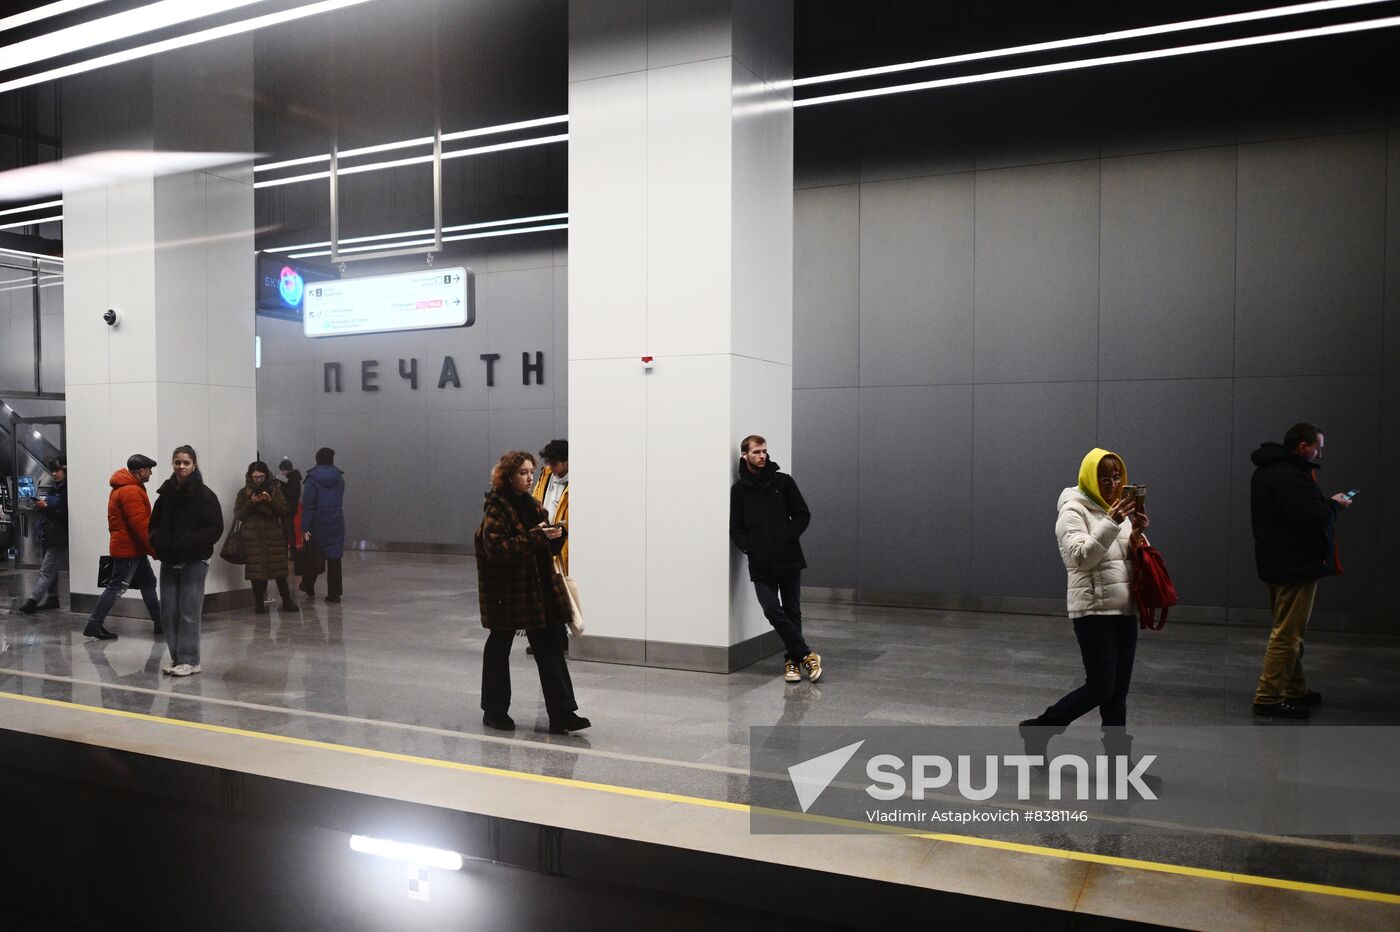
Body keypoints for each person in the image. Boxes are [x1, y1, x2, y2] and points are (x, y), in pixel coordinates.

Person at [1020, 449, 1150, 762]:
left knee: (1118, 693)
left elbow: (1122, 560)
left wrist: (1137, 535)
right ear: (1090, 478)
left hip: (1123, 609)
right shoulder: (1072, 511)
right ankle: (1044, 725)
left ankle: (1119, 765)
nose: (1112, 483)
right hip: (1093, 611)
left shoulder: (1116, 510)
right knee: (1101, 687)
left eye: (1117, 477)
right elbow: (1080, 558)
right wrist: (1112, 522)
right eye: (1104, 478)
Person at [475, 450, 590, 734]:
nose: (529, 477)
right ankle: (494, 710)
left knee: (551, 646)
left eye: (531, 472)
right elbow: (497, 549)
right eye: (523, 473)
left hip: (538, 590)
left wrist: (555, 537)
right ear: (508, 477)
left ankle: (562, 713)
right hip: (507, 591)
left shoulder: (534, 506)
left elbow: (542, 547)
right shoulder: (497, 508)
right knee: (498, 648)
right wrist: (536, 536)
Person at [1249, 423, 1351, 720]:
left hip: (1275, 561)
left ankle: (1295, 688)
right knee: (1287, 634)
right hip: (1295, 564)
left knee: (1289, 630)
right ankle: (1268, 697)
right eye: (1318, 447)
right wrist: (1335, 505)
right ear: (1302, 446)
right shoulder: (1291, 476)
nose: (1320, 452)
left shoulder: (1267, 471)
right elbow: (1314, 517)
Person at [729, 435, 822, 684]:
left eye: (764, 451)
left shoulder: (784, 482)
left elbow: (803, 515)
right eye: (757, 452)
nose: (762, 456)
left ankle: (792, 663)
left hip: (789, 557)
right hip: (760, 561)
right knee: (771, 609)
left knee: (792, 611)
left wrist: (785, 537)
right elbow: (736, 528)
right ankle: (806, 655)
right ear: (744, 455)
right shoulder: (738, 490)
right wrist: (749, 548)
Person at [149, 445, 223, 676]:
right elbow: (154, 524)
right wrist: (158, 541)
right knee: (168, 611)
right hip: (169, 560)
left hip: (194, 561)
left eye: (186, 463)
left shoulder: (205, 496)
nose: (181, 466)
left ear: (194, 465)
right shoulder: (166, 493)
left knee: (189, 611)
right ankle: (177, 658)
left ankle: (191, 660)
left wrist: (189, 543)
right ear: (172, 464)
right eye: (177, 462)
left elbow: (214, 529)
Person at [81, 454, 163, 641]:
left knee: (148, 582)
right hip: (129, 550)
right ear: (141, 471)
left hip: (133, 549)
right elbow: (140, 525)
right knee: (116, 587)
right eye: (149, 469)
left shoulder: (128, 488)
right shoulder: (130, 491)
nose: (151, 473)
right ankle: (94, 624)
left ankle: (160, 622)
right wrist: (154, 549)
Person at [234, 460, 296, 613]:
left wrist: (271, 501)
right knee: (257, 571)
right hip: (252, 535)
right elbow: (239, 515)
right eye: (255, 477)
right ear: (250, 476)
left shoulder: (274, 489)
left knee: (279, 570)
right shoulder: (244, 492)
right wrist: (251, 502)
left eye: (261, 476)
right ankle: (259, 602)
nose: (259, 480)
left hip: (272, 533)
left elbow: (284, 511)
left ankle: (287, 600)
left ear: (266, 475)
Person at [528, 439, 570, 655]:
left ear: (566, 461)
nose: (552, 468)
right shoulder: (546, 475)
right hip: (543, 538)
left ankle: (561, 637)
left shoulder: (577, 480)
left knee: (561, 591)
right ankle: (542, 637)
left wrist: (564, 528)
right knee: (543, 590)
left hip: (564, 543)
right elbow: (536, 501)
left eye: (555, 464)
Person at [19, 458, 67, 614]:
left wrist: (47, 506)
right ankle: (53, 598)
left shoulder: (68, 490)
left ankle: (33, 600)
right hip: (47, 533)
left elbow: (65, 515)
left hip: (58, 536)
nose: (54, 474)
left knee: (46, 570)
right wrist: (42, 506)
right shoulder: (54, 488)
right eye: (52, 471)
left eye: (57, 470)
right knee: (51, 569)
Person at [301, 447, 345, 603]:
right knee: (334, 558)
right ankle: (334, 593)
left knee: (313, 554)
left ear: (317, 459)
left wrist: (304, 527)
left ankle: (308, 584)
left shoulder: (312, 479)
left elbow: (308, 505)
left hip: (317, 523)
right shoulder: (339, 478)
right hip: (336, 522)